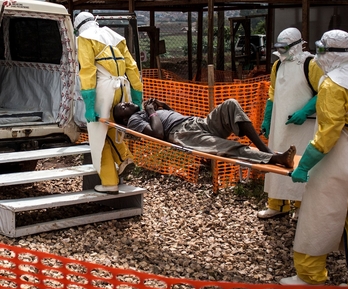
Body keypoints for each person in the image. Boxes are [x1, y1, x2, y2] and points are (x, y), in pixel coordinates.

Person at [280, 30, 348, 289]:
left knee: (317, 215)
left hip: (338, 158)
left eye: (322, 50)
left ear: (331, 53)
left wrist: (304, 166)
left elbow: (328, 134)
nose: (318, 55)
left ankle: (310, 275)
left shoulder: (332, 84)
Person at [113, 98, 296, 168]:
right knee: (227, 147)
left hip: (196, 123)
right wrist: (152, 111)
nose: (125, 103)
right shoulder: (134, 120)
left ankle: (264, 148)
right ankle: (274, 159)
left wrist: (164, 106)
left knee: (230, 105)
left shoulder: (143, 112)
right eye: (122, 107)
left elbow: (173, 117)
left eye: (123, 102)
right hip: (184, 134)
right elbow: (158, 134)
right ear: (124, 119)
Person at [258, 27, 324, 220]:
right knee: (277, 160)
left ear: (296, 45)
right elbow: (273, 93)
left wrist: (305, 111)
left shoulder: (311, 64)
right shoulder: (277, 65)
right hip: (280, 126)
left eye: (284, 47)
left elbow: (324, 91)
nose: (281, 51)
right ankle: (277, 204)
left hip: (304, 128)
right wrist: (267, 118)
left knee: (302, 162)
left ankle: (302, 207)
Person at [75, 12, 143, 195]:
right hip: (122, 88)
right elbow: (132, 68)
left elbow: (88, 71)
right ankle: (124, 158)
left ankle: (109, 182)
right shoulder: (115, 36)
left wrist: (89, 105)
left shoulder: (85, 38)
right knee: (113, 127)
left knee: (98, 137)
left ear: (78, 27)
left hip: (103, 90)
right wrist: (137, 100)